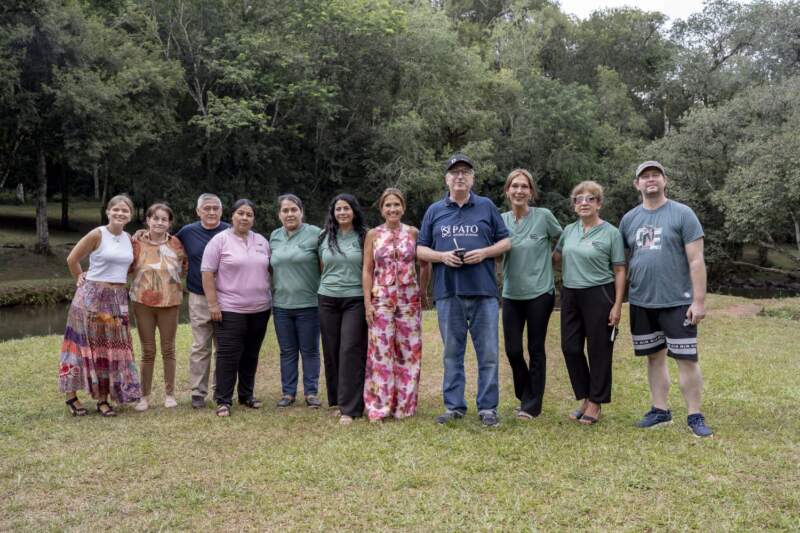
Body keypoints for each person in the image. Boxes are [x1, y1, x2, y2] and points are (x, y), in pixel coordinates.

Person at [619, 161, 713, 437]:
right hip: (641, 301)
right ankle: (660, 411)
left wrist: (699, 301)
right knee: (654, 358)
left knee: (686, 359)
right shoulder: (629, 219)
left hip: (678, 301)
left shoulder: (683, 214)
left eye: (655, 176)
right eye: (644, 177)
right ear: (637, 184)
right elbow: (622, 262)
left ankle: (694, 415)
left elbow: (696, 260)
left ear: (665, 181)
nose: (650, 180)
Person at [417, 154, 511, 427]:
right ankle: (454, 406)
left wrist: (484, 252)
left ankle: (488, 408)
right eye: (454, 172)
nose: (460, 176)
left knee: (489, 354)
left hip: (484, 293)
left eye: (465, 172)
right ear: (446, 179)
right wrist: (441, 256)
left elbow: (505, 242)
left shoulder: (486, 206)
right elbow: (420, 249)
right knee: (452, 354)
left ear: (472, 178)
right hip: (448, 293)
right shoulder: (435, 210)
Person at [58, 195, 141, 417]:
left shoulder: (129, 239)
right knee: (82, 345)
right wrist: (79, 278)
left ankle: (103, 400)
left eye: (125, 211)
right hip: (91, 298)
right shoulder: (97, 234)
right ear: (108, 211)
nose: (120, 213)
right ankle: (71, 397)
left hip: (117, 300)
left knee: (110, 346)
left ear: (130, 215)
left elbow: (130, 267)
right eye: (116, 210)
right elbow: (72, 259)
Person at [553, 181, 625, 425]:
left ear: (599, 204)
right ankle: (584, 396)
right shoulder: (568, 231)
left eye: (590, 199)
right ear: (574, 206)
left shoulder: (611, 233)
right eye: (579, 199)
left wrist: (617, 305)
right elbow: (556, 257)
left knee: (599, 350)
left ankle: (595, 403)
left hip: (600, 294)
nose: (584, 203)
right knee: (570, 347)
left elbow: (619, 270)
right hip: (571, 294)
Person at [362, 188, 431, 422]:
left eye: (396, 205)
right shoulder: (373, 234)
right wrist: (366, 303)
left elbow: (424, 264)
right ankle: (379, 407)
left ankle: (404, 406)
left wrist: (422, 291)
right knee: (380, 353)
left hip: (409, 300)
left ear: (403, 207)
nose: (392, 209)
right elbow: (367, 270)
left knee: (409, 352)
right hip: (381, 299)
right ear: (381, 209)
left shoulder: (413, 233)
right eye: (388, 205)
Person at [499, 169, 562, 420]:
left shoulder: (544, 216)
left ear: (531, 192)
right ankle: (525, 393)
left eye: (524, 187)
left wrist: (554, 258)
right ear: (507, 191)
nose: (519, 191)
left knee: (535, 348)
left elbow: (564, 237)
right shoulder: (500, 220)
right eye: (514, 186)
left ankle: (532, 405)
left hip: (540, 293)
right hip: (511, 294)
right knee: (513, 350)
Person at [201, 199, 271, 417]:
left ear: (253, 219)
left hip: (260, 308)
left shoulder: (261, 240)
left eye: (249, 214)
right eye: (241, 213)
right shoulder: (219, 240)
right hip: (230, 308)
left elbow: (269, 271)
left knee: (251, 354)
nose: (244, 218)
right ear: (232, 216)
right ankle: (223, 399)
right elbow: (207, 273)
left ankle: (246, 395)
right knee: (229, 355)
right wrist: (213, 304)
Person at [130, 203, 187, 411]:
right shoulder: (135, 242)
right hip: (142, 303)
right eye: (155, 218)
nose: (159, 222)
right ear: (148, 220)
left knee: (168, 349)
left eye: (164, 219)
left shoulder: (176, 244)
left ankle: (170, 394)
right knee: (147, 350)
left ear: (169, 223)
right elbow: (127, 267)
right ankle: (144, 396)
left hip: (170, 303)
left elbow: (183, 268)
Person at [317, 193, 369, 425]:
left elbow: (370, 268)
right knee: (332, 350)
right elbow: (321, 266)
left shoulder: (365, 236)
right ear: (333, 212)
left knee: (350, 350)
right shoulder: (324, 237)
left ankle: (351, 408)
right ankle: (338, 401)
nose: (342, 213)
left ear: (354, 211)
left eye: (346, 208)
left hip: (355, 299)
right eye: (338, 209)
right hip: (327, 298)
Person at [175, 193, 230, 409]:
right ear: (198, 211)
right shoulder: (187, 232)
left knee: (223, 346)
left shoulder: (230, 230)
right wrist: (142, 234)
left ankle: (221, 390)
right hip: (198, 296)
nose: (211, 212)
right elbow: (165, 243)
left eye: (215, 208)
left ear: (221, 211)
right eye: (206, 208)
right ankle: (198, 392)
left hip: (227, 296)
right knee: (200, 346)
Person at [269, 194, 322, 409]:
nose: (289, 214)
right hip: (281, 305)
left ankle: (311, 393)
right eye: (285, 210)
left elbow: (324, 266)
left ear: (301, 211)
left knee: (309, 350)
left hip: (309, 303)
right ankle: (288, 393)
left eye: (293, 210)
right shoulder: (274, 236)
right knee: (287, 351)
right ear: (279, 214)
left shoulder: (316, 234)